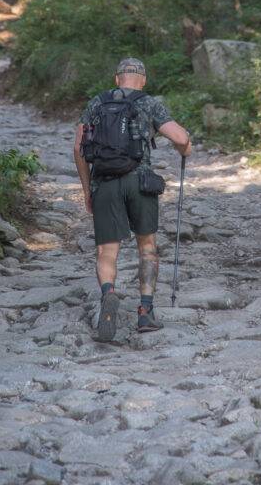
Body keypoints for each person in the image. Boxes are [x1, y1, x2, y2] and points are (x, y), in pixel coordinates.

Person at [73, 57, 192, 340]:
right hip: (140, 182)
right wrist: (185, 147)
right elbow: (180, 137)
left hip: (105, 183)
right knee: (147, 247)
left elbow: (78, 149)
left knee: (106, 252)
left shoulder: (96, 103)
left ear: (117, 78)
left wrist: (88, 190)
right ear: (143, 80)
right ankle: (145, 312)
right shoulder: (149, 102)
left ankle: (108, 295)